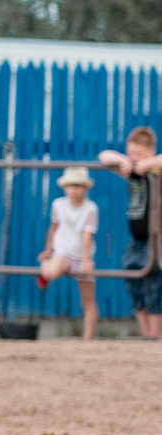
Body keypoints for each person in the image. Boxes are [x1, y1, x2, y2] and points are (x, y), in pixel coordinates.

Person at [98, 126, 162, 340]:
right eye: (131, 153)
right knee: (131, 274)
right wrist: (123, 160)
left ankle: (154, 335)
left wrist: (148, 163)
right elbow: (103, 156)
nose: (135, 159)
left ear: (152, 151)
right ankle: (146, 335)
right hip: (137, 239)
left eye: (140, 154)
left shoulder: (155, 170)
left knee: (155, 282)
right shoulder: (130, 169)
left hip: (156, 239)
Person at [38, 166, 100, 341]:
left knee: (88, 300)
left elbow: (87, 236)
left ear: (86, 188)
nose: (74, 190)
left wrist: (87, 260)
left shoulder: (91, 209)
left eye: (78, 186)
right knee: (50, 272)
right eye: (71, 185)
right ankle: (44, 269)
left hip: (82, 254)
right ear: (65, 187)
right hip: (63, 252)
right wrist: (49, 251)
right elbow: (53, 228)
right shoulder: (58, 204)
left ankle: (87, 339)